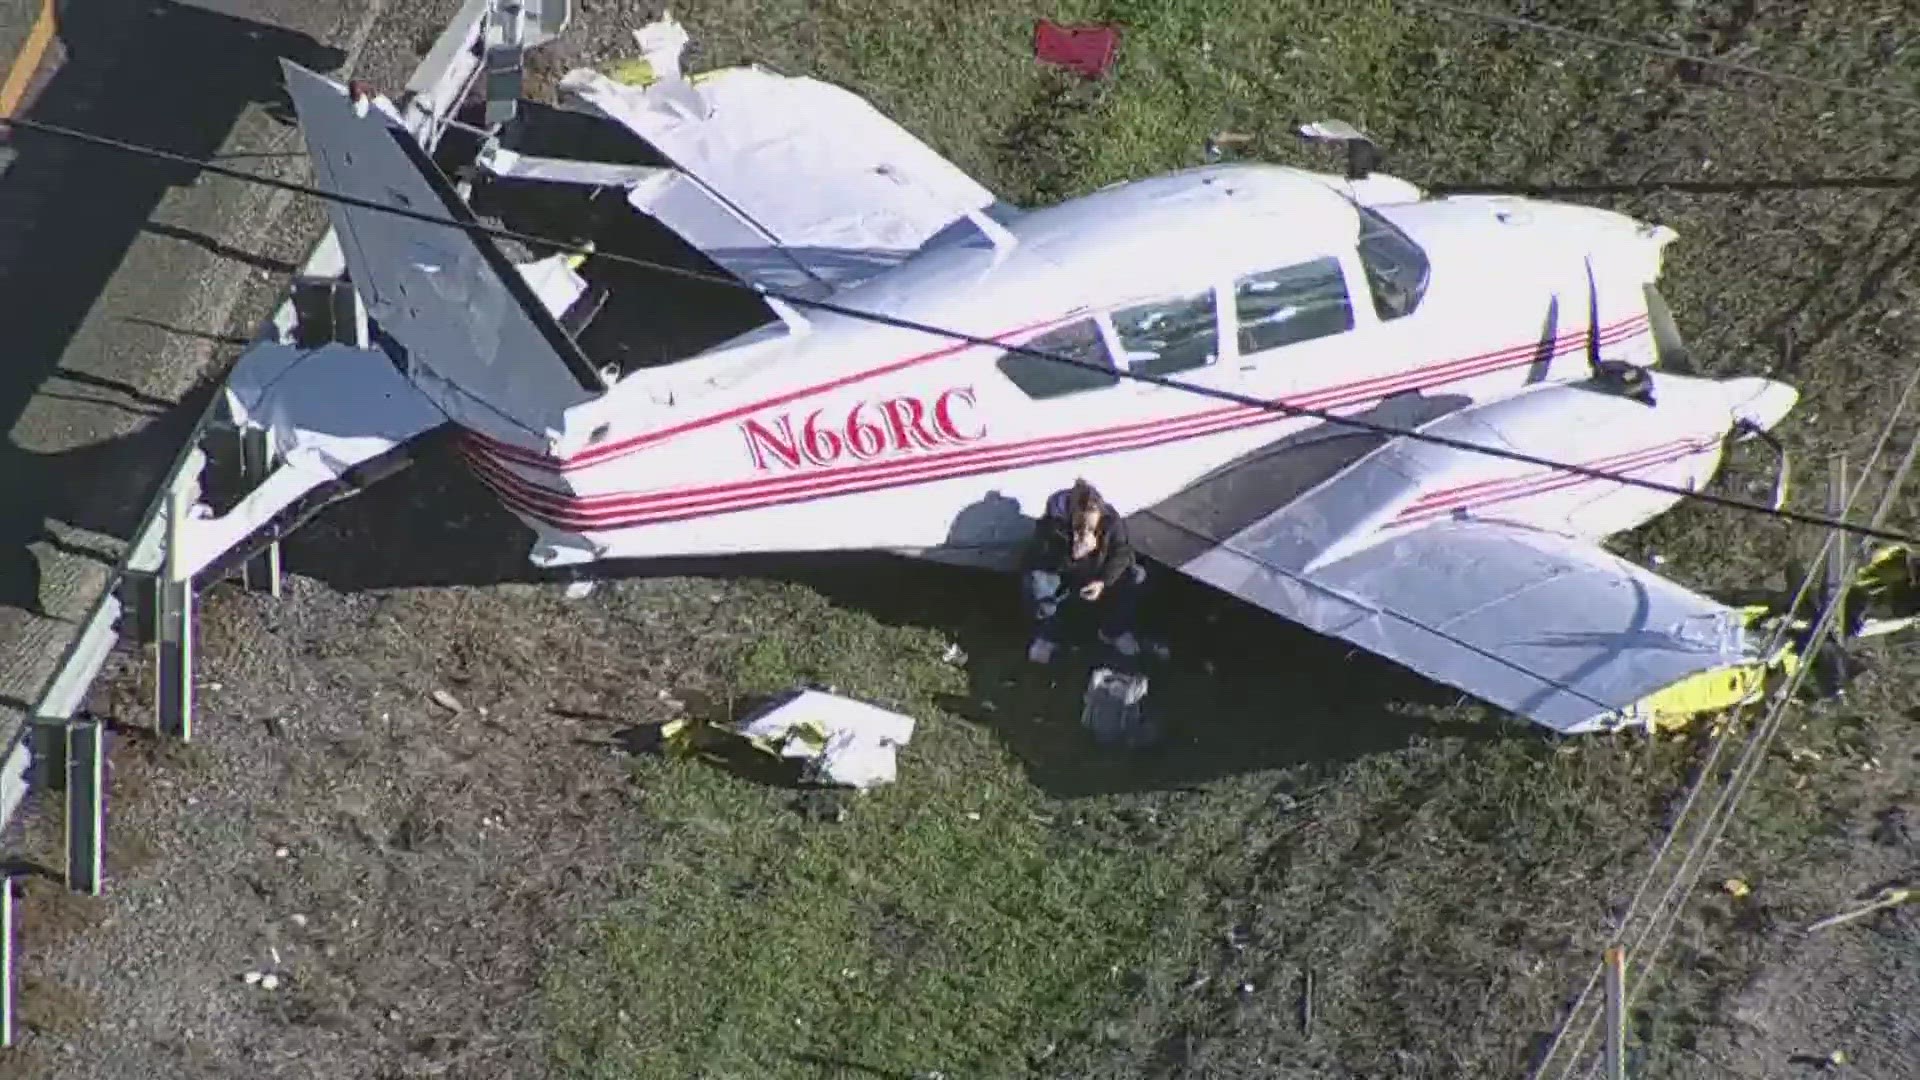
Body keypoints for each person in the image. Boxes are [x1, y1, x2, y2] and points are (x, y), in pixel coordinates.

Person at [1019, 478, 1148, 663]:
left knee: (1136, 575)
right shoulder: (1052, 524)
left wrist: (1103, 581)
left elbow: (1122, 552)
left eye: (1091, 527)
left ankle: (1113, 631)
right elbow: (1040, 558)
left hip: (1098, 572)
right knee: (1037, 580)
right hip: (1063, 575)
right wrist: (1072, 555)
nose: (1086, 531)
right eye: (1080, 526)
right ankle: (1047, 637)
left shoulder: (1112, 520)